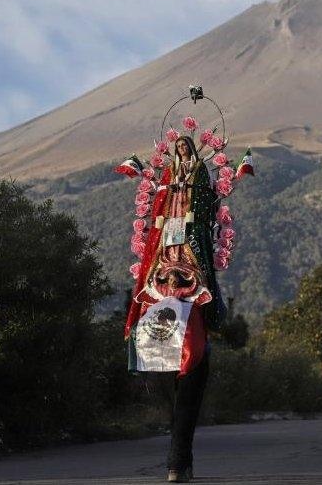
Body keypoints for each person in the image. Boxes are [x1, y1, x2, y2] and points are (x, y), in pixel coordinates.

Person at [124, 133, 230, 483]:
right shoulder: (170, 177)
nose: (182, 151)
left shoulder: (197, 174)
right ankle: (179, 460)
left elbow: (203, 204)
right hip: (175, 249)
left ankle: (179, 460)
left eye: (185, 148)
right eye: (178, 148)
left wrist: (189, 199)